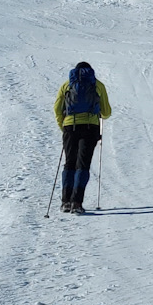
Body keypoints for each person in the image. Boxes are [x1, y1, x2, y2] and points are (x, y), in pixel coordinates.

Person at [54, 62, 111, 212]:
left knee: (69, 163)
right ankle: (77, 203)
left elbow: (57, 109)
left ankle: (65, 202)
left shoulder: (67, 85)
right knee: (83, 164)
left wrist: (64, 126)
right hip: (90, 128)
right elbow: (106, 112)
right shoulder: (98, 85)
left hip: (70, 127)